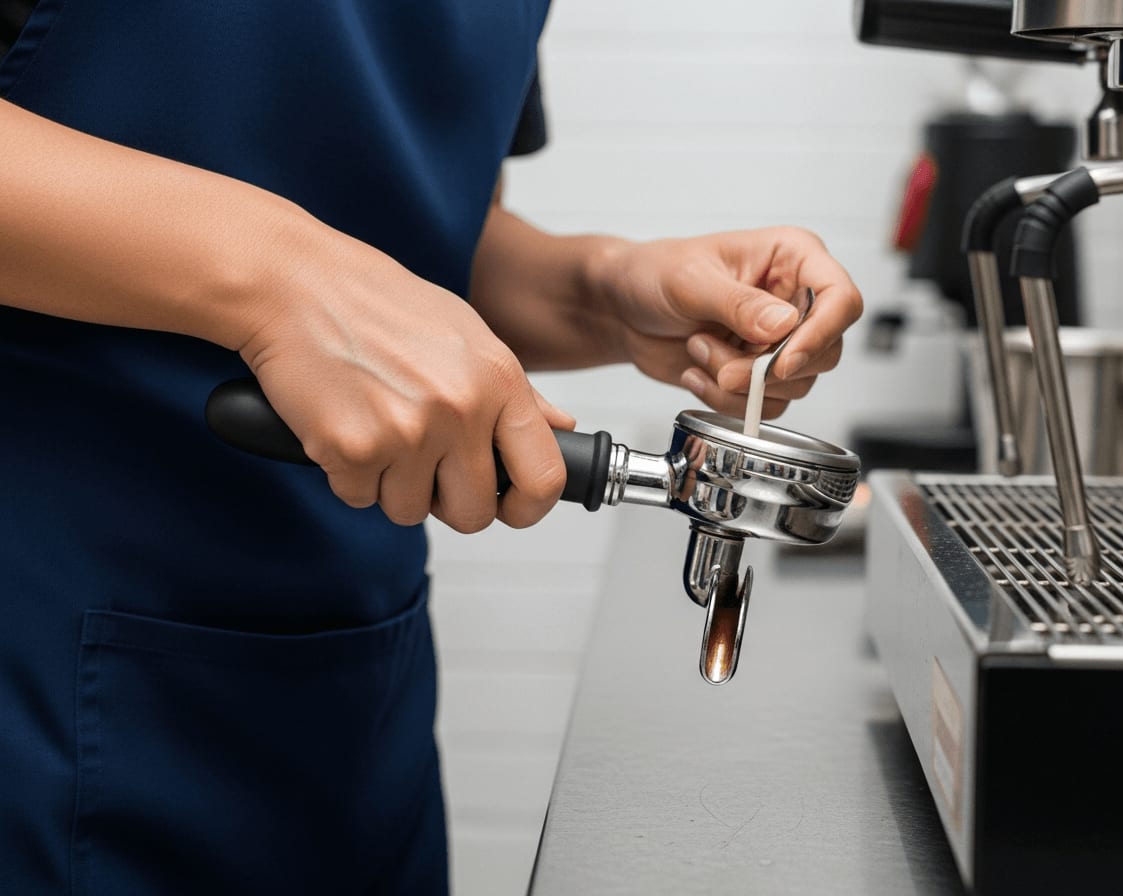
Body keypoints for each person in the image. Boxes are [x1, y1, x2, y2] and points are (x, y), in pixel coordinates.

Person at [0, 2, 862, 893]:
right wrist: (279, 276)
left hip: (347, 683)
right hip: (43, 671)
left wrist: (604, 291)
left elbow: (415, 229)